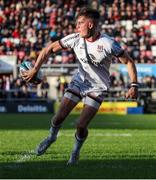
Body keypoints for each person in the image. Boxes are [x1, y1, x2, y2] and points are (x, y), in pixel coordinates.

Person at [21, 7, 139, 165]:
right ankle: (51, 137)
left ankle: (75, 151)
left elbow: (129, 61)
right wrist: (35, 68)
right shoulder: (75, 38)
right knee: (58, 118)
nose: (77, 27)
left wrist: (134, 85)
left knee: (81, 125)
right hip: (79, 82)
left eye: (80, 23)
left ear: (90, 25)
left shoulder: (108, 43)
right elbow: (49, 49)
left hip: (98, 87)